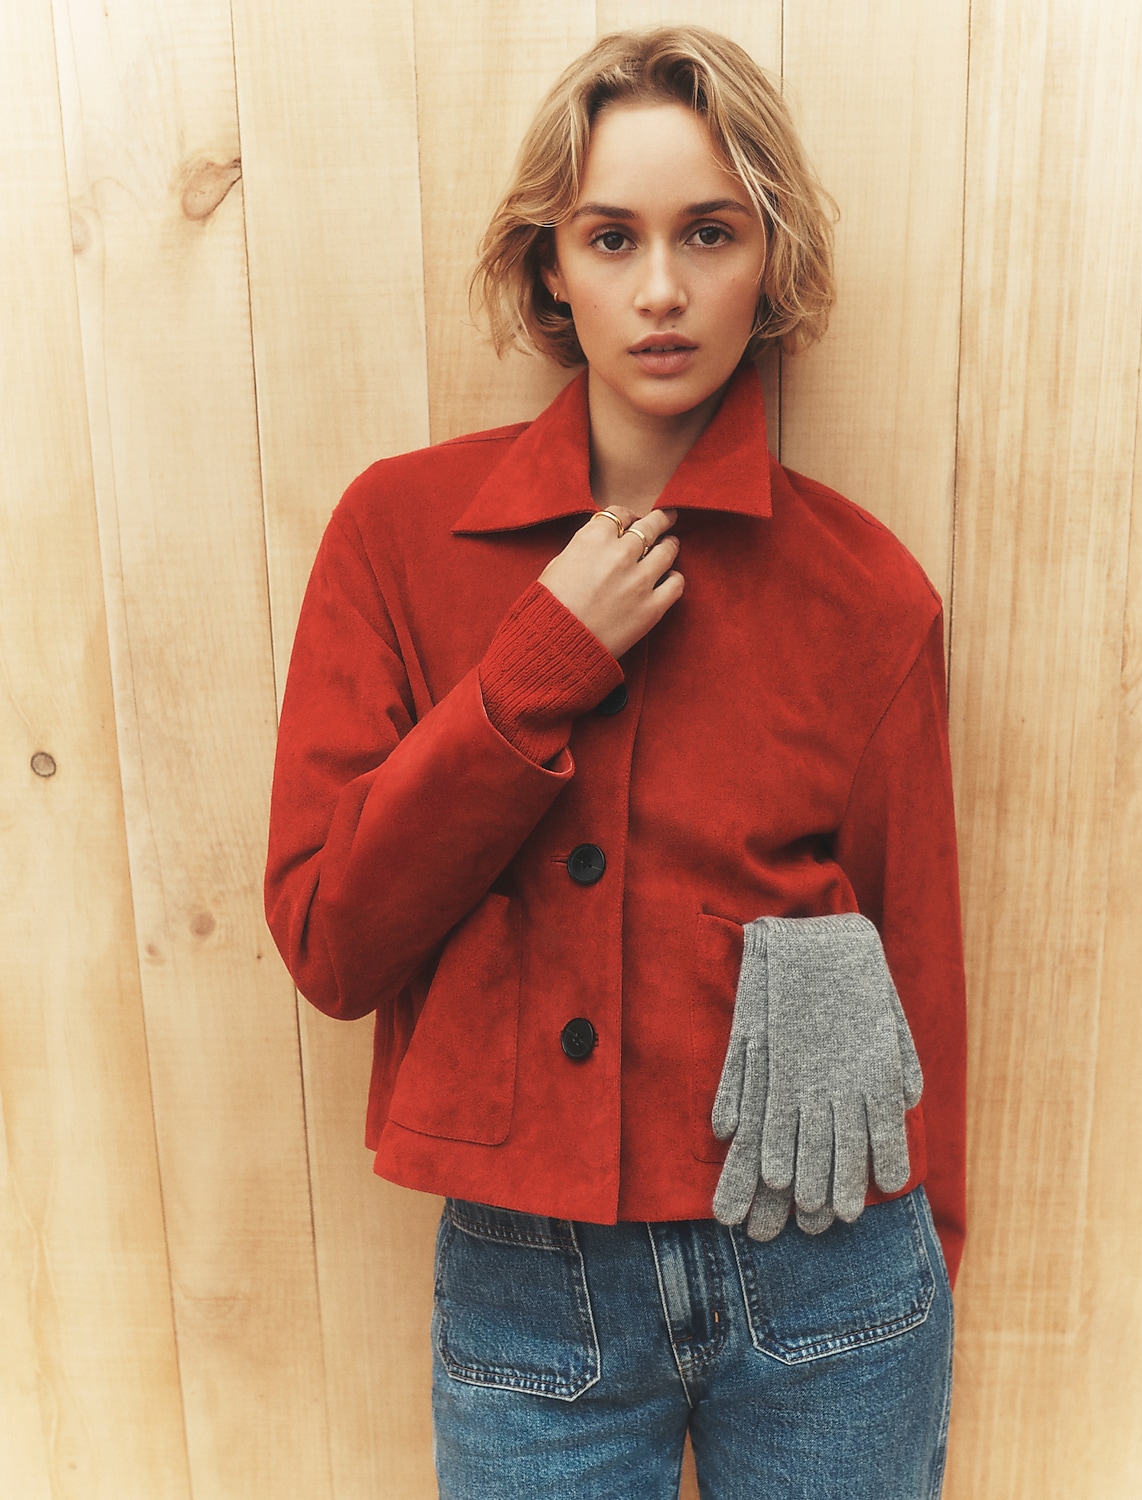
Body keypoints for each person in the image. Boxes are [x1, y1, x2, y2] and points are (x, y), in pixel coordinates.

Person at [265, 25, 965, 1499]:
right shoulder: (399, 538)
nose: (659, 290)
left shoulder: (870, 593)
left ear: (766, 261)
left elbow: (925, 965)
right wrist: (535, 669)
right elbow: (333, 942)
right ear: (547, 269)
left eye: (709, 233)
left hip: (834, 1274)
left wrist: (929, 1259)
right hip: (535, 1292)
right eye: (610, 236)